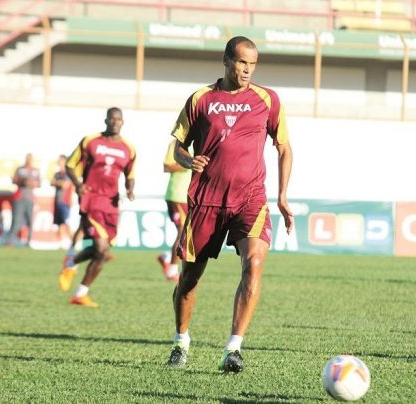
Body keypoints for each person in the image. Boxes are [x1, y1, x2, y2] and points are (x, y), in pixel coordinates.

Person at [165, 36, 294, 373]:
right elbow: (178, 146)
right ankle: (181, 342)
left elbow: (283, 147)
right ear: (226, 61)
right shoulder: (201, 99)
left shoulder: (268, 100)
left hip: (250, 199)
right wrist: (187, 159)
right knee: (190, 280)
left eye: (252, 63)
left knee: (254, 262)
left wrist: (281, 195)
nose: (247, 69)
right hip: (206, 200)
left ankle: (233, 349)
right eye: (241, 62)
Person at [57, 107, 136, 308]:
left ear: (123, 122)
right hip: (91, 199)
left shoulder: (129, 148)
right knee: (101, 249)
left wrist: (129, 189)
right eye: (112, 118)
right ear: (106, 120)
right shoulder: (90, 141)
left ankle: (76, 279)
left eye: (119, 119)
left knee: (102, 251)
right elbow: (70, 164)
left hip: (111, 203)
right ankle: (77, 281)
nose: (115, 122)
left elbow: (130, 174)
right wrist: (77, 184)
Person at [156, 139, 191, 282]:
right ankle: (172, 272)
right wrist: (189, 163)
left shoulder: (202, 142)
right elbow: (167, 166)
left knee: (189, 234)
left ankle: (166, 256)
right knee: (182, 231)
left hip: (191, 196)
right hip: (177, 195)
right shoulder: (176, 143)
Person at [4, 153, 41, 247]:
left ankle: (28, 242)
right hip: (19, 198)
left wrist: (31, 183)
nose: (29, 160)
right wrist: (22, 181)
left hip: (30, 198)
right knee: (16, 220)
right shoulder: (20, 169)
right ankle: (10, 241)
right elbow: (14, 180)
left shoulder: (35, 171)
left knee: (30, 221)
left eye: (30, 159)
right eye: (27, 158)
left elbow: (39, 183)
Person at [50, 154, 74, 249]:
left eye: (61, 161)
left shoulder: (69, 174)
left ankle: (74, 242)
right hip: (57, 201)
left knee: (66, 223)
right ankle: (60, 244)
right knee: (59, 223)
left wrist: (57, 183)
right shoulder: (57, 174)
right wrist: (57, 183)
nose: (59, 163)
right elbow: (51, 182)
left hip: (65, 201)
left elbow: (65, 185)